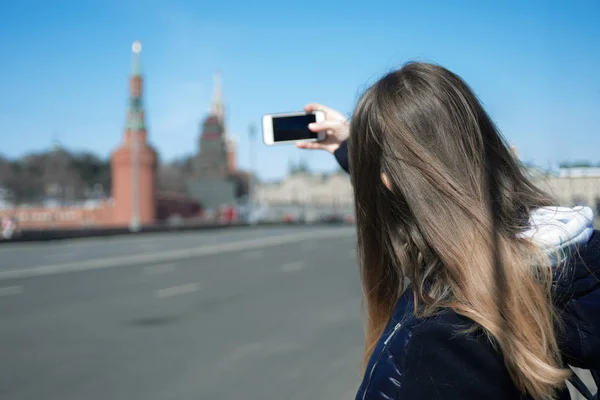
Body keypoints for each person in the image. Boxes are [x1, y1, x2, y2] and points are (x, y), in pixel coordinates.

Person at [297, 62, 600, 400]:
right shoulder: (574, 257)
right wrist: (352, 146)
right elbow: (435, 184)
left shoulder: (438, 340)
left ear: (386, 179)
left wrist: (370, 154)